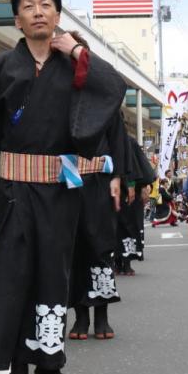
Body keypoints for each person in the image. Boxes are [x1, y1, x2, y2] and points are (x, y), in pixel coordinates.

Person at [0, 0, 126, 374]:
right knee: (14, 279)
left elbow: (114, 89)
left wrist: (79, 49)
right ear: (17, 19)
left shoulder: (74, 65)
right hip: (14, 190)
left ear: (57, 15)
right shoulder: (1, 68)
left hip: (60, 191)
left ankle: (50, 367)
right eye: (29, 6)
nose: (38, 11)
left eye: (46, 5)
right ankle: (15, 370)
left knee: (55, 277)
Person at [68, 105, 126, 341]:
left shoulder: (107, 103)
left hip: (101, 182)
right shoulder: (61, 97)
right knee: (73, 249)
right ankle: (81, 315)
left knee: (101, 247)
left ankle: (102, 314)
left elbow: (119, 141)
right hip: (68, 181)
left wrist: (117, 177)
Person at [117, 134, 154, 274]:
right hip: (107, 188)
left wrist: (142, 186)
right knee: (112, 229)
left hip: (130, 189)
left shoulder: (128, 141)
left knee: (129, 227)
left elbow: (138, 164)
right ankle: (116, 262)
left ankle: (126, 263)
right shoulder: (101, 138)